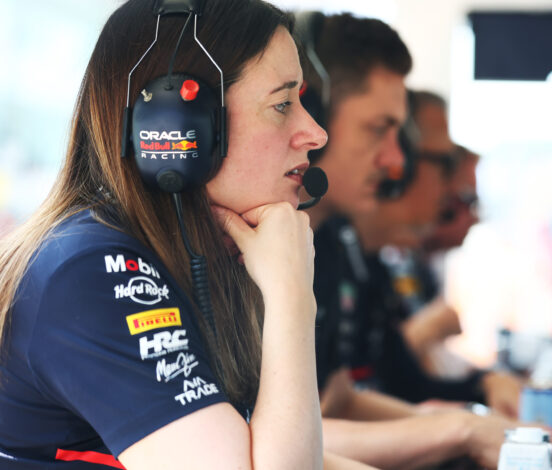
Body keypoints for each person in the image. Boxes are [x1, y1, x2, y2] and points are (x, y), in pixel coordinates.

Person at [0, 1, 373, 469]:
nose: (315, 133)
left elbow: (285, 452)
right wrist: (292, 297)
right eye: (282, 105)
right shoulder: (91, 272)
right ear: (177, 126)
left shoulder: (195, 253)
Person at [299, 13, 552, 469]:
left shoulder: (323, 246)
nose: (393, 162)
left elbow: (336, 399)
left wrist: (474, 425)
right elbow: (274, 441)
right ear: (317, 119)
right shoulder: (268, 251)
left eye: (400, 139)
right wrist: (462, 429)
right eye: (377, 129)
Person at [352, 91, 525, 419]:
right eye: (444, 165)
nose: (447, 190)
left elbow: (404, 385)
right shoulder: (350, 258)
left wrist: (481, 390)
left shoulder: (365, 260)